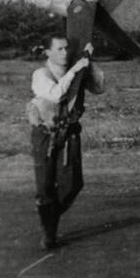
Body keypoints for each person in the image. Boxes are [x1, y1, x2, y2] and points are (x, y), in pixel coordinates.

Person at [27, 34, 104, 250]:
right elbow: (56, 95)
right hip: (45, 133)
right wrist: (76, 69)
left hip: (69, 132)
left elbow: (99, 88)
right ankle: (49, 232)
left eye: (67, 49)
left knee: (73, 183)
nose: (64, 53)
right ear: (48, 52)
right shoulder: (41, 74)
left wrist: (90, 62)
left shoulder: (76, 69)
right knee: (45, 185)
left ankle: (48, 216)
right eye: (59, 49)